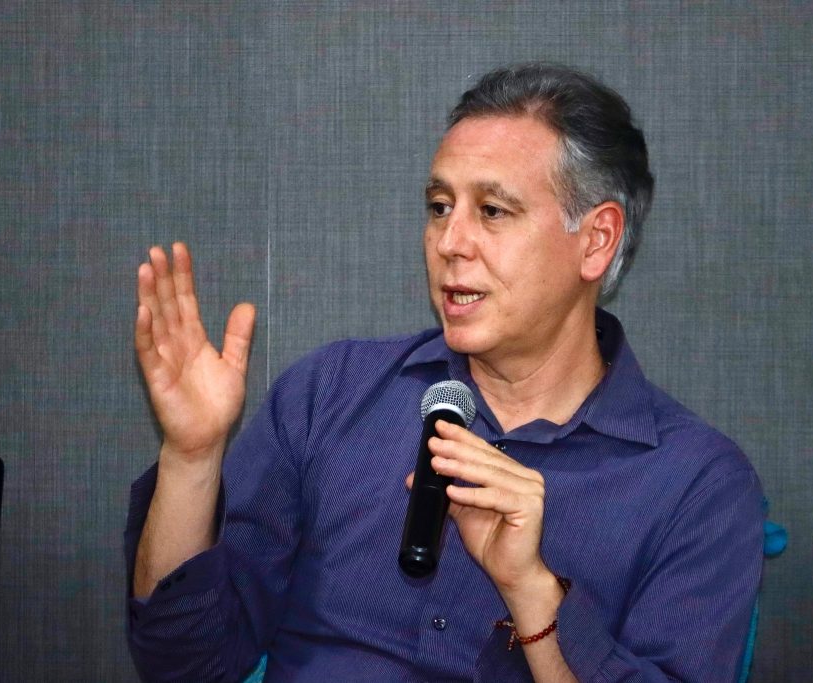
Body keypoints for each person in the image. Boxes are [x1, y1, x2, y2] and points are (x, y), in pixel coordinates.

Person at [125, 63, 764, 682]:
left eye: (492, 211)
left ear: (595, 240)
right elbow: (185, 663)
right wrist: (192, 458)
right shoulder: (330, 395)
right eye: (438, 206)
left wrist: (533, 591)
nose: (450, 242)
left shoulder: (696, 485)